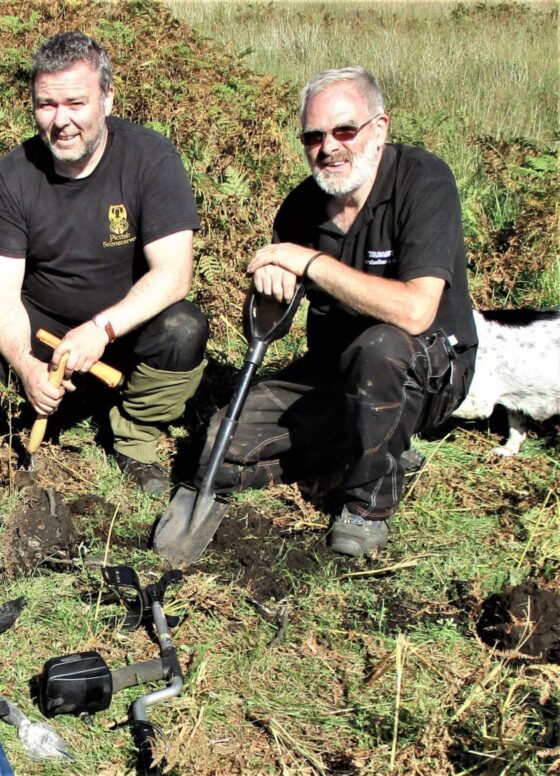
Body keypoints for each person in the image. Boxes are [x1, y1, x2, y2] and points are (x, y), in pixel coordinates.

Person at [192, 66, 477, 557]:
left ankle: (368, 506)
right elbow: (264, 330)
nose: (330, 147)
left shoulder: (423, 182)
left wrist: (312, 264)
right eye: (314, 135)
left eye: (345, 130)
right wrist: (267, 292)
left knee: (380, 347)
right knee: (216, 452)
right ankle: (367, 448)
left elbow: (414, 310)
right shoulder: (302, 206)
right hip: (332, 371)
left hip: (428, 367)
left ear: (380, 128)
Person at [0, 31, 208, 494]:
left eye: (76, 103)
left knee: (183, 329)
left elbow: (174, 274)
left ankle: (133, 433)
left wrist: (101, 329)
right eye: (46, 105)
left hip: (123, 327)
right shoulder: (13, 176)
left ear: (107, 99)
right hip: (44, 324)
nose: (61, 121)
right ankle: (51, 404)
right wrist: (29, 367)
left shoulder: (151, 158)